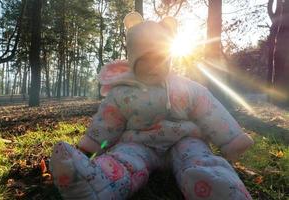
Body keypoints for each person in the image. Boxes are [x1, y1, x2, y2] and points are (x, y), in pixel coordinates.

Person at [49, 12, 254, 200]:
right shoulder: (123, 91)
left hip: (183, 140)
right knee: (123, 160)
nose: (153, 66)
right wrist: (92, 145)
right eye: (144, 60)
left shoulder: (187, 87)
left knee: (199, 159)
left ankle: (220, 187)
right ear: (132, 60)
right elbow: (108, 121)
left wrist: (232, 140)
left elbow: (210, 110)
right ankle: (97, 183)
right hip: (139, 143)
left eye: (160, 58)